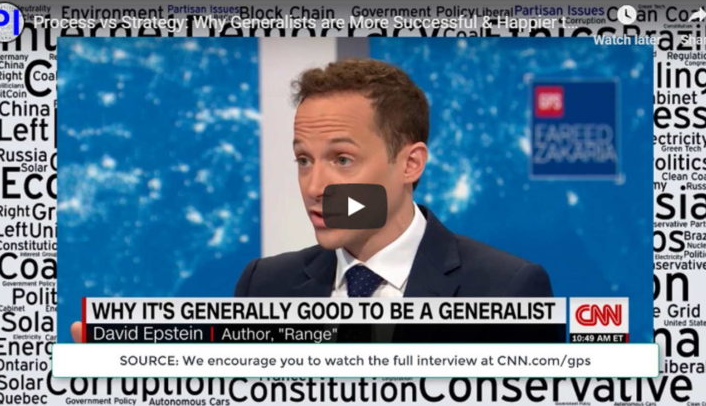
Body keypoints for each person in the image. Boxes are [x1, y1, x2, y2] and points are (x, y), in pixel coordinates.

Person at [236, 58, 553, 299]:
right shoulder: (264, 286)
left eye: (343, 159)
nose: (314, 187)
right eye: (304, 160)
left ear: (410, 164)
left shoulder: (505, 289)